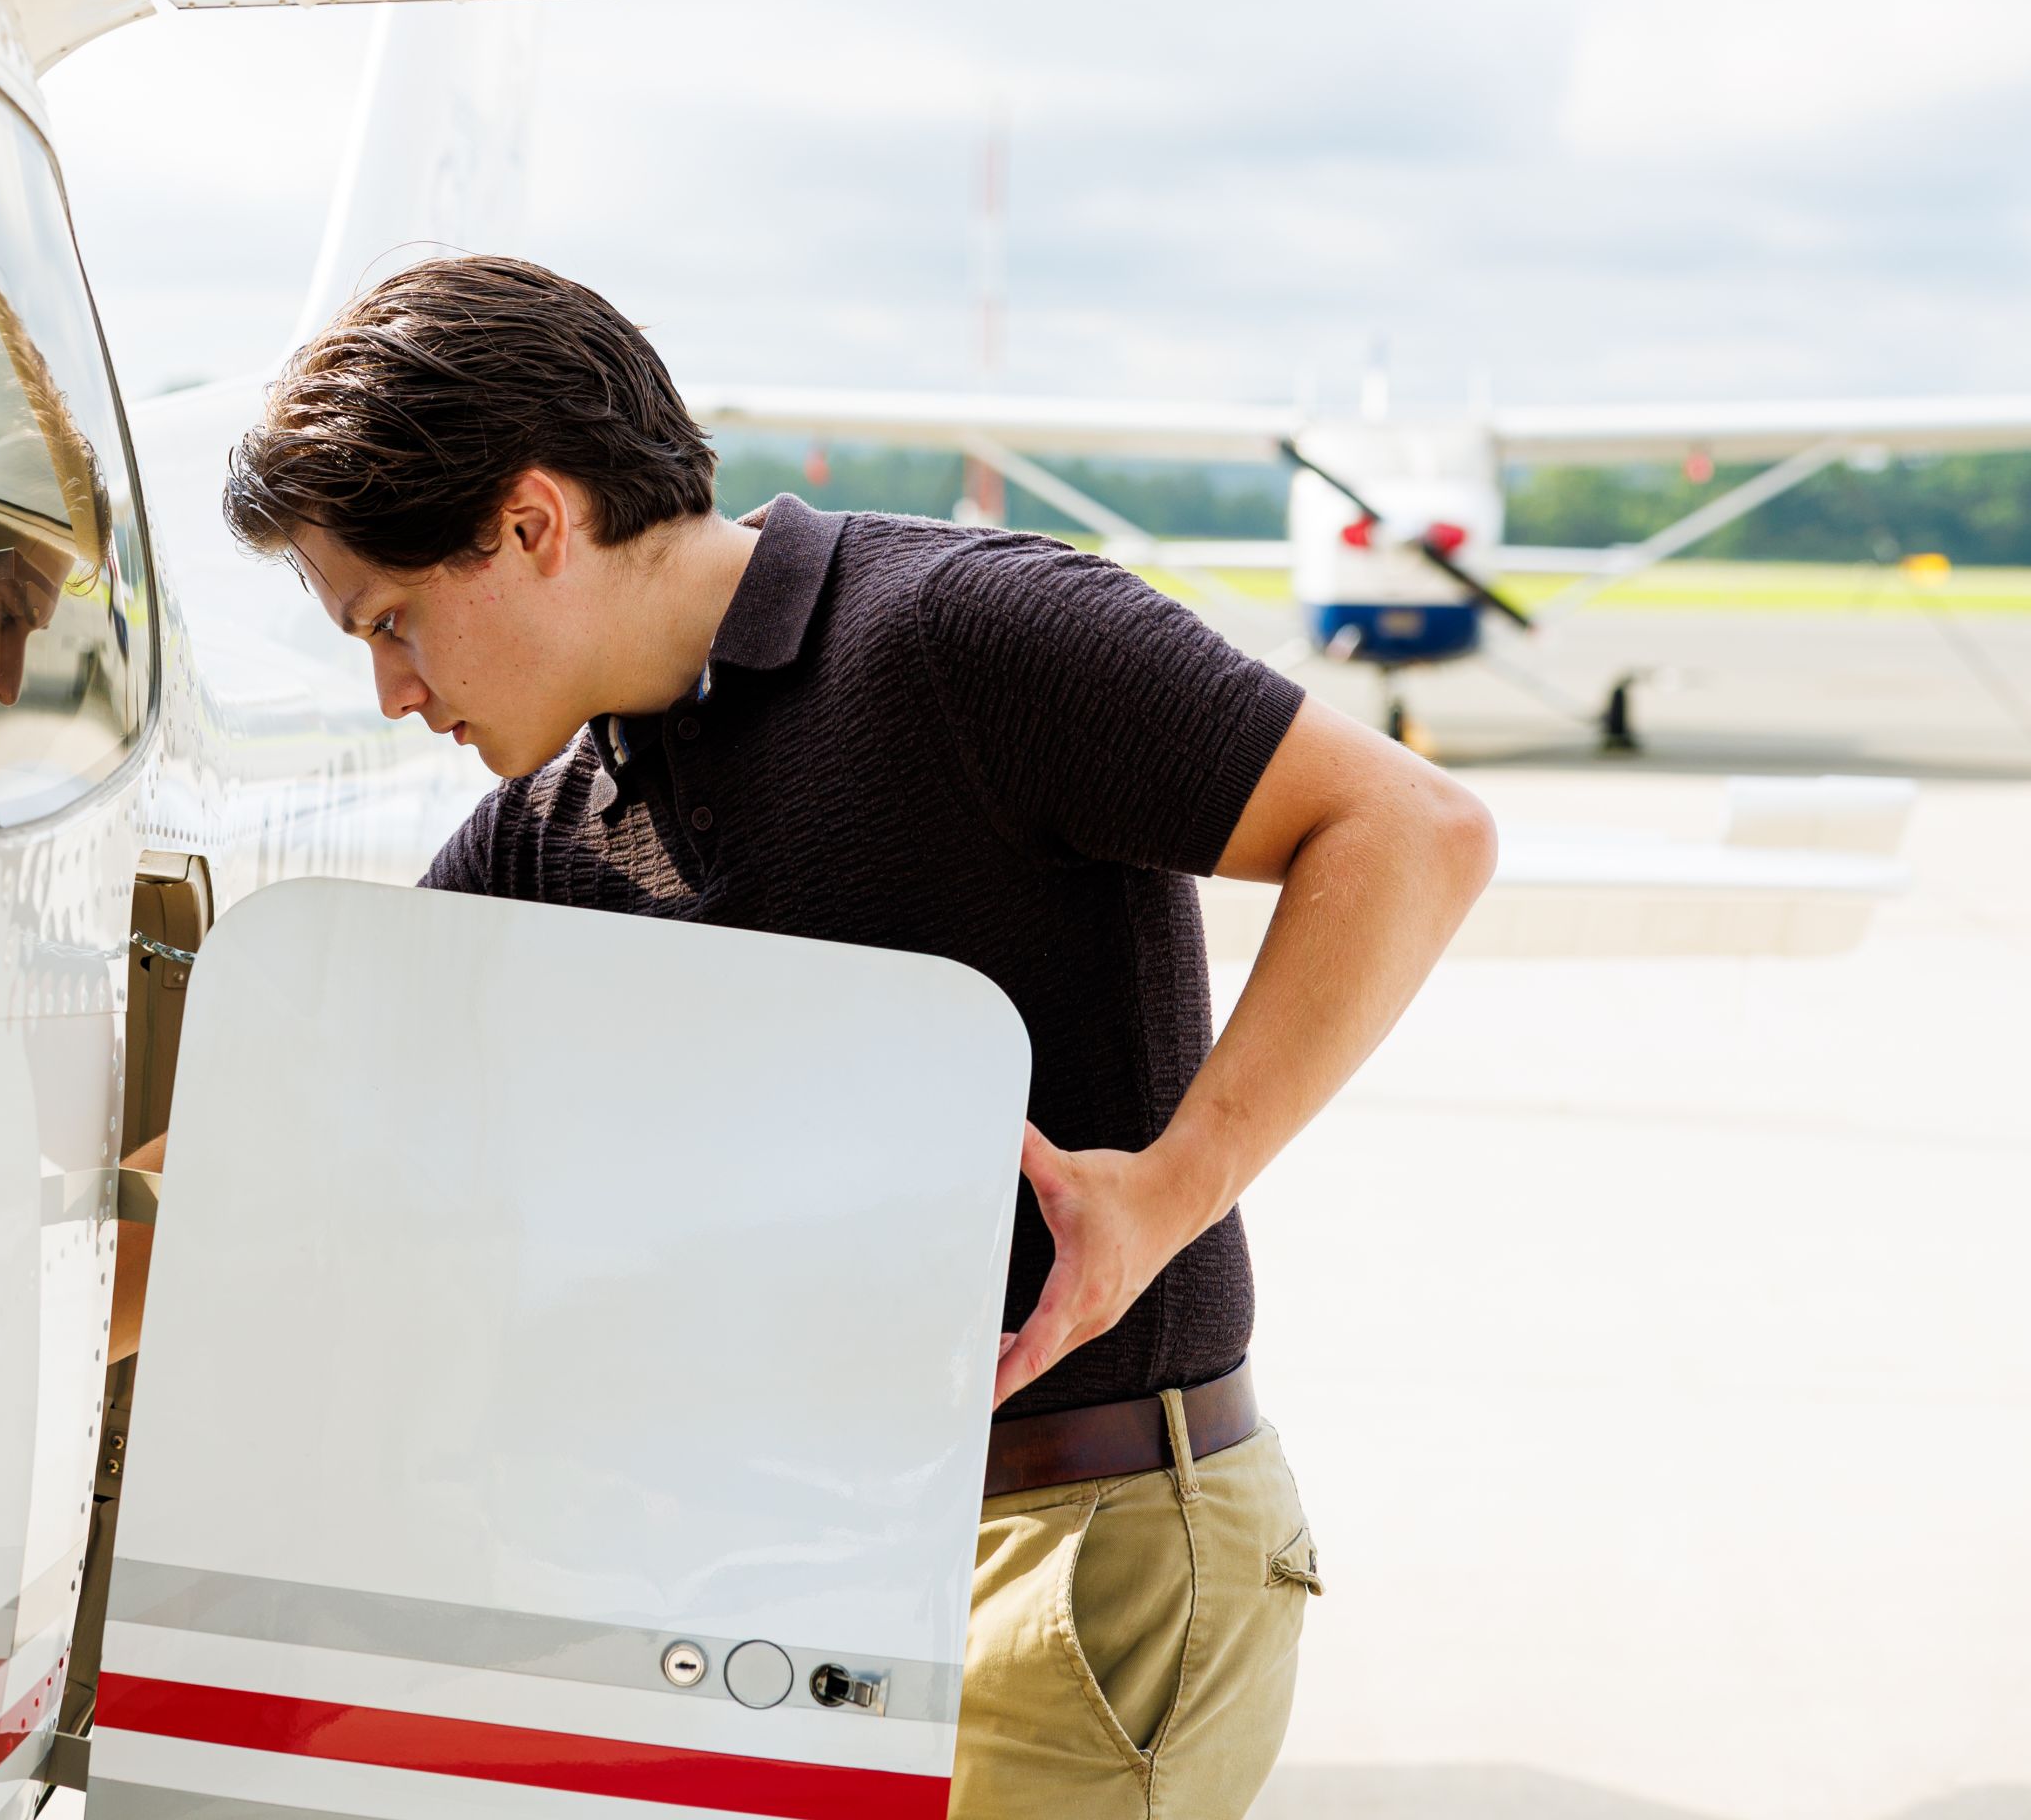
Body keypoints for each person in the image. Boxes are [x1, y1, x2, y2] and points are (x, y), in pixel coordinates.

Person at [220, 255, 1496, 1819]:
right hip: (780, 1586)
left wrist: (1171, 1189)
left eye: (393, 618)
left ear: (531, 523)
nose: (390, 690)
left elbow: (1411, 828)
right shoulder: (544, 833)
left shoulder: (968, 634)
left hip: (1074, 1550)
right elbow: (283, 1137)